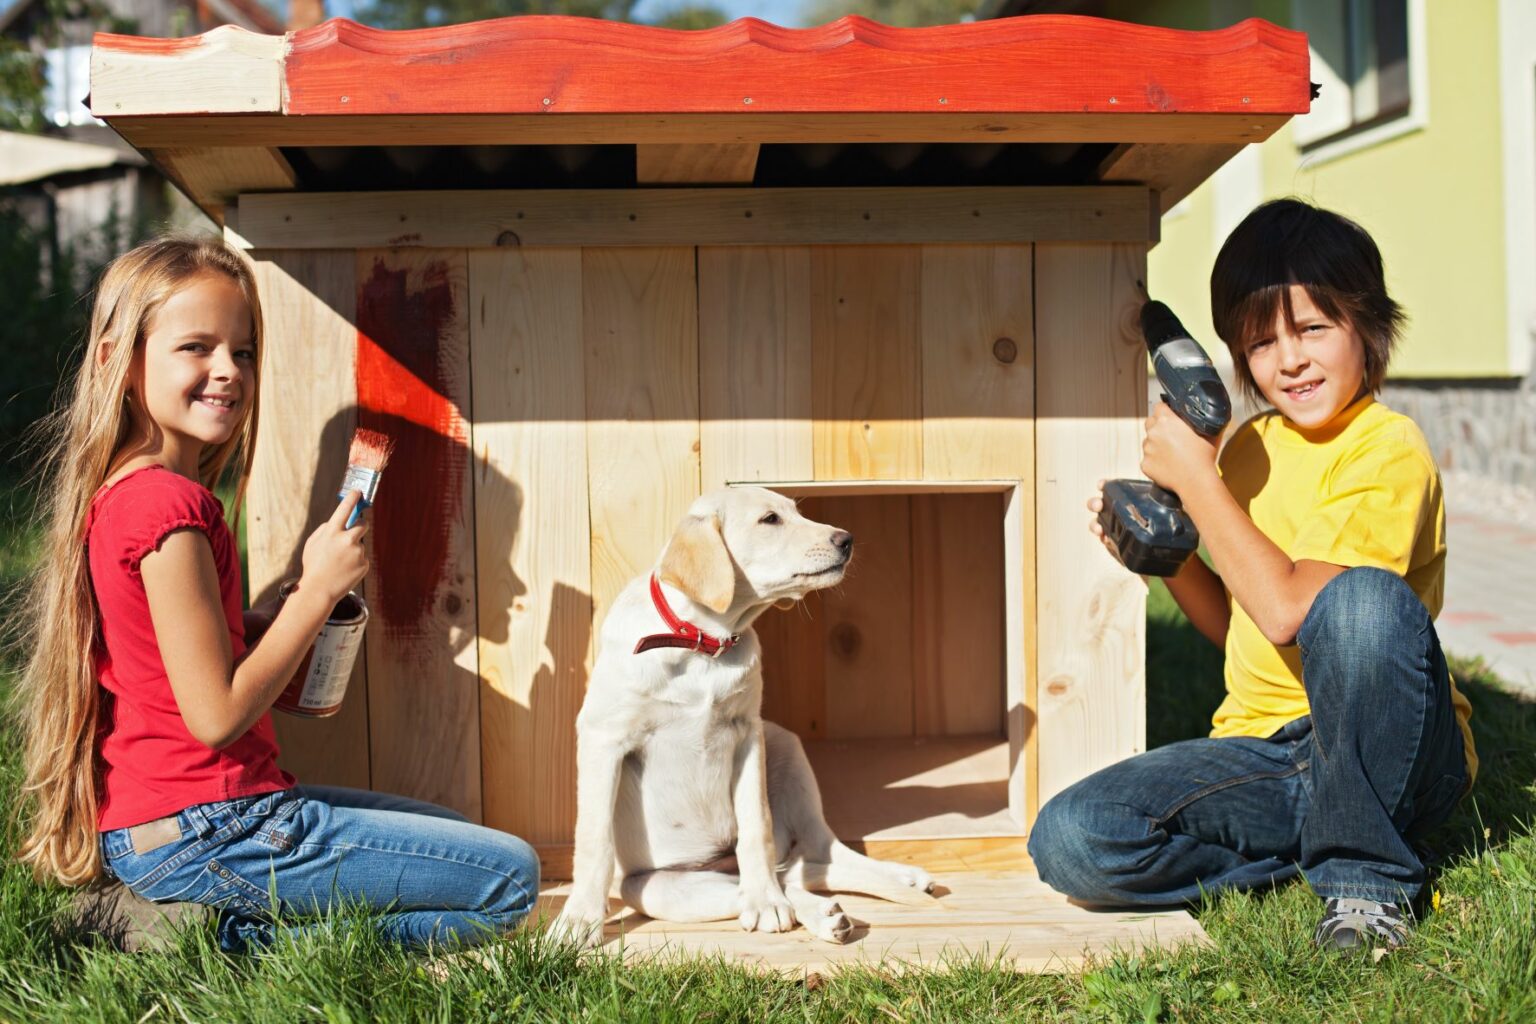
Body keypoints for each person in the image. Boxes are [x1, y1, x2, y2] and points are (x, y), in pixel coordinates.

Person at [14, 236, 539, 953]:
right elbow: (217, 715)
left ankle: (198, 922)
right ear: (119, 361)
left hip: (184, 822)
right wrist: (315, 593)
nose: (227, 371)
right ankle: (222, 944)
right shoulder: (167, 509)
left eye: (244, 352)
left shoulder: (131, 496)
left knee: (456, 842)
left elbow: (167, 666)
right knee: (509, 879)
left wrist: (255, 623)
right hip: (213, 827)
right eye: (195, 347)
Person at [1028, 198, 1476, 952]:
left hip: (1394, 748)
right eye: (1261, 342)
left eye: (1311, 329)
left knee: (1358, 600)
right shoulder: (1246, 451)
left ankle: (1365, 885)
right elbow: (1241, 628)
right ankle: (1316, 839)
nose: (1289, 360)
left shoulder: (1387, 449)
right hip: (1270, 756)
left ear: (1366, 325)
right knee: (1072, 838)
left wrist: (1196, 481)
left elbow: (1291, 612)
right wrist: (1167, 561)